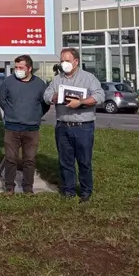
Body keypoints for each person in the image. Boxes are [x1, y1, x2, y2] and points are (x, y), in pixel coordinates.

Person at [43, 47, 104, 202]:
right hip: (63, 126)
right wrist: (55, 97)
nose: (64, 64)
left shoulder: (88, 78)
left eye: (67, 61)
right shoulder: (57, 79)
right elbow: (46, 95)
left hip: (83, 126)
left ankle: (85, 191)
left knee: (84, 161)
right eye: (62, 61)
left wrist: (81, 102)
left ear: (76, 62)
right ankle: (68, 190)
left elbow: (100, 96)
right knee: (65, 161)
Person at [0, 55, 49, 196]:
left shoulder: (40, 84)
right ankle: (9, 187)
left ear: (29, 68)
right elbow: (1, 99)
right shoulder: (8, 82)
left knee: (30, 159)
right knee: (10, 158)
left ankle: (28, 188)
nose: (18, 70)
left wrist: (35, 115)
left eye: (21, 67)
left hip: (31, 128)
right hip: (12, 127)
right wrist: (11, 112)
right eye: (16, 67)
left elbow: (45, 104)